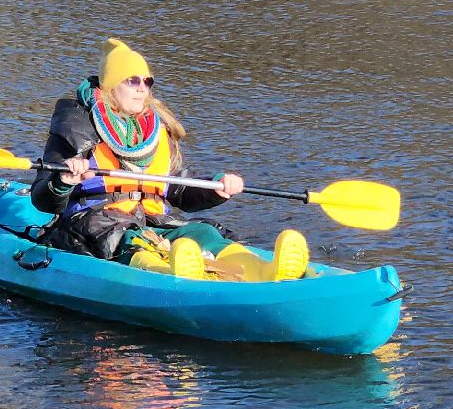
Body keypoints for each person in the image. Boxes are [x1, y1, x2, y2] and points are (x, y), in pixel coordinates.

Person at [29, 38, 308, 281]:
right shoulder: (76, 126)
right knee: (130, 242)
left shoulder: (156, 131)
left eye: (147, 82)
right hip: (97, 224)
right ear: (112, 85)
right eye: (133, 81)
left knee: (202, 233)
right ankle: (169, 275)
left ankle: (266, 271)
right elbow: (42, 198)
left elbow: (177, 189)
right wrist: (64, 180)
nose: (142, 88)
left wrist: (216, 188)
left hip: (153, 220)